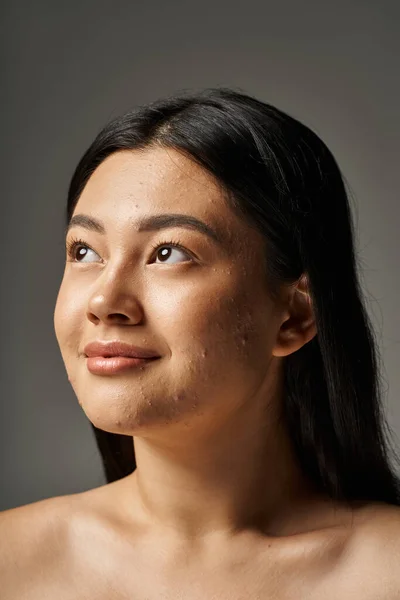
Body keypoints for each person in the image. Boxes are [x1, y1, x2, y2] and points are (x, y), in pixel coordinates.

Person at [1, 87, 400, 599]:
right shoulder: (12, 565)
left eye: (168, 252)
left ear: (294, 315)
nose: (104, 299)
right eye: (85, 251)